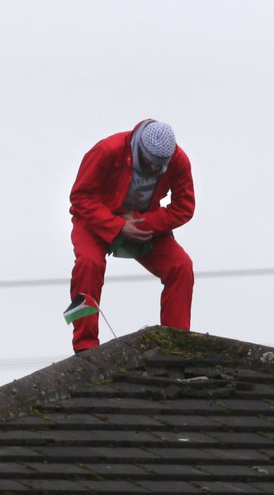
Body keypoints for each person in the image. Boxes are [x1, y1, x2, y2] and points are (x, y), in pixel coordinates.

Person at [68, 119, 196, 353]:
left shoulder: (178, 160)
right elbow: (80, 197)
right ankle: (85, 347)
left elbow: (184, 207)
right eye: (151, 163)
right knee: (88, 264)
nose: (157, 170)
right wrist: (117, 226)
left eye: (162, 165)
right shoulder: (107, 150)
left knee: (181, 266)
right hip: (95, 220)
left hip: (144, 222)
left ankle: (177, 344)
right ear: (139, 149)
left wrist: (142, 223)